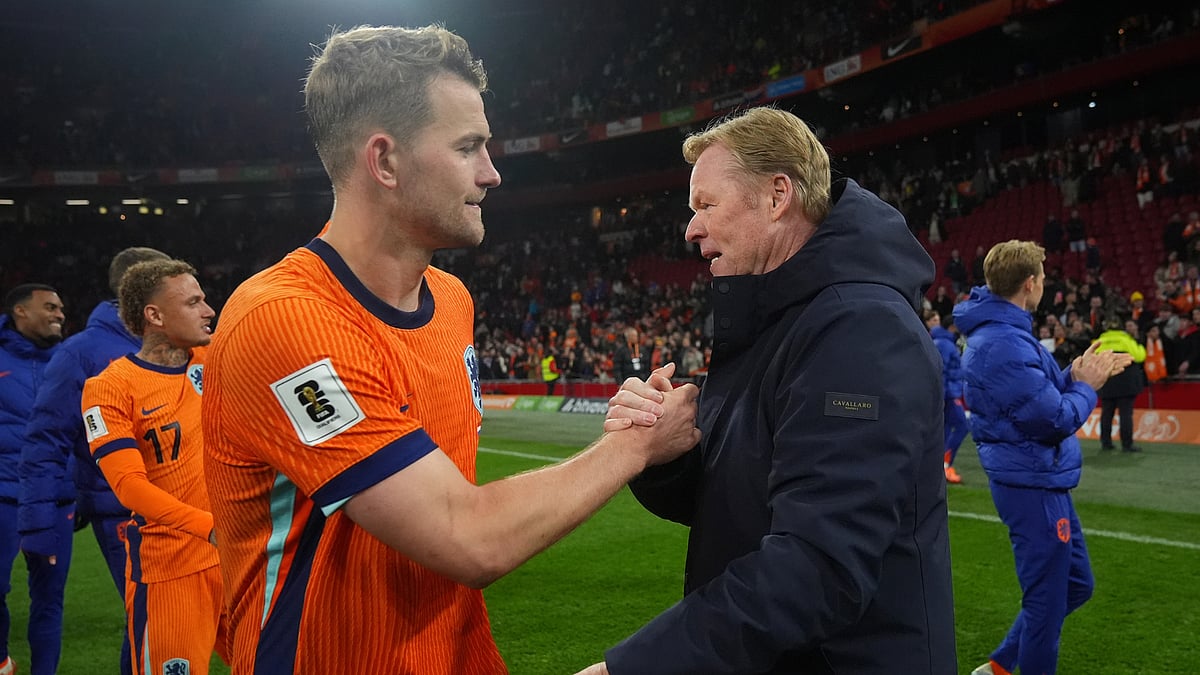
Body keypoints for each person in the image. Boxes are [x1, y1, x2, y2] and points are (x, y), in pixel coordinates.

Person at [200, 25, 700, 675]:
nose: (492, 173)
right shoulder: (284, 321)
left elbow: (441, 576)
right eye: (469, 147)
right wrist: (635, 445)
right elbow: (464, 537)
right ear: (385, 161)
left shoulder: (453, 300)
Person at [588, 106, 955, 674]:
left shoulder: (859, 328)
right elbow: (746, 498)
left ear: (778, 195)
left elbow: (818, 567)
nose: (690, 228)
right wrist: (666, 454)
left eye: (706, 204)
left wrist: (635, 667)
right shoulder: (777, 318)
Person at [953, 240, 1133, 675]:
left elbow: (1032, 396)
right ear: (1030, 284)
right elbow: (1053, 419)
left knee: (1076, 585)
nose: (1045, 286)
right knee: (1045, 609)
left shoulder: (1004, 332)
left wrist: (1073, 373)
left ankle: (998, 667)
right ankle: (1004, 666)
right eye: (1044, 279)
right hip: (1030, 482)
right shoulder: (1003, 341)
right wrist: (1088, 387)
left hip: (1039, 477)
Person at [18, 247, 168, 675]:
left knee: (164, 617)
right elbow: (45, 439)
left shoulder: (173, 342)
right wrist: (37, 524)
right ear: (138, 289)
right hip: (121, 508)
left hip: (179, 504)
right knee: (151, 615)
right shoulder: (81, 353)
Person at [81, 259, 227, 675]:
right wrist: (210, 527)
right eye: (194, 301)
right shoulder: (110, 388)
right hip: (172, 570)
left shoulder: (215, 359)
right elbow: (130, 488)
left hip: (237, 558)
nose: (208, 310)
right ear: (155, 316)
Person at [0, 283, 65, 675]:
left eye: (61, 308)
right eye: (50, 307)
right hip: (4, 494)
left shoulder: (69, 360)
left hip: (57, 500)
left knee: (49, 599)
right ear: (20, 312)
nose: (59, 313)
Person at [926, 310, 969, 483]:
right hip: (949, 393)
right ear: (953, 326)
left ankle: (937, 467)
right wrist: (942, 395)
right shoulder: (945, 344)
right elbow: (940, 370)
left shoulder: (941, 341)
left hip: (946, 391)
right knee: (962, 426)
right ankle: (945, 465)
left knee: (944, 429)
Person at [1094, 316, 1147, 453]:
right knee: (1125, 414)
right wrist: (1139, 344)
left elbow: (1092, 358)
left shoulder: (1100, 340)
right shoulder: (1126, 340)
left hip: (1107, 381)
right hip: (1126, 382)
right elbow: (1140, 356)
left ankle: (1106, 442)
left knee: (1106, 413)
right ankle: (1127, 445)